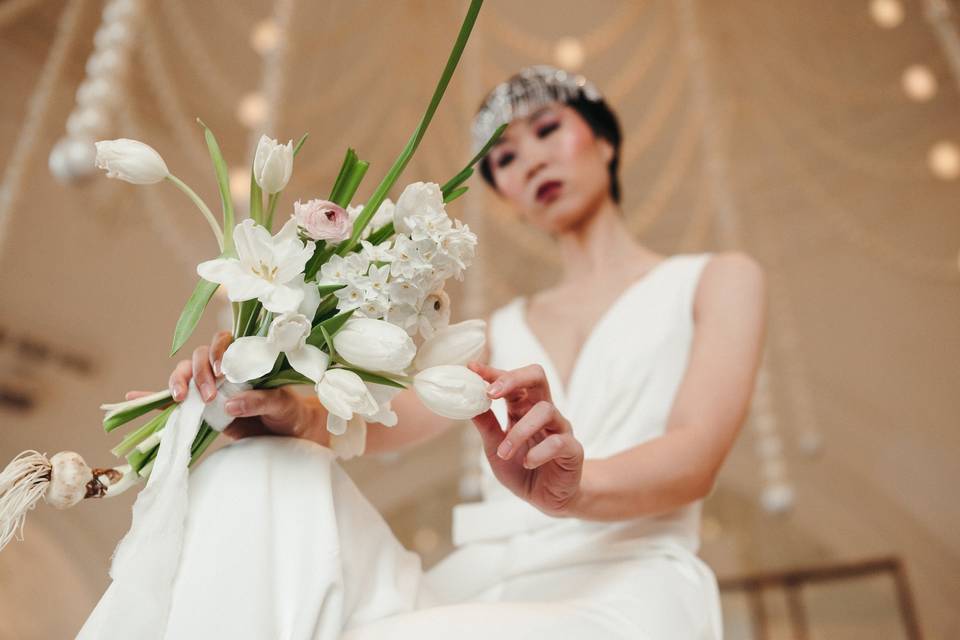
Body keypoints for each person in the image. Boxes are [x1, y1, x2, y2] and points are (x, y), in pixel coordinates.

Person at [130, 65, 766, 639]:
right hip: (478, 586)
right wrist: (275, 403)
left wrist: (573, 490)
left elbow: (695, 453)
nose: (532, 161)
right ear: (503, 196)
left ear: (605, 140)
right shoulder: (493, 334)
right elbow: (374, 420)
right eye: (506, 158)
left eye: (548, 130)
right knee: (254, 472)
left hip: (625, 585)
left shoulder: (716, 279)